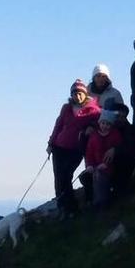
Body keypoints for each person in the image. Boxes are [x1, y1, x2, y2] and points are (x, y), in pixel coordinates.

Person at [48, 79, 101, 216]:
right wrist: (50, 143)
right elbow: (58, 125)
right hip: (59, 147)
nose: (77, 96)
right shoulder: (66, 108)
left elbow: (99, 122)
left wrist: (91, 126)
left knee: (66, 175)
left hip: (76, 148)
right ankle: (63, 207)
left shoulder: (93, 109)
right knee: (59, 178)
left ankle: (72, 207)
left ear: (85, 94)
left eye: (80, 93)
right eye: (75, 94)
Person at [81, 109, 123, 210]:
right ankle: (90, 201)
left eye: (108, 124)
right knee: (85, 177)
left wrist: (106, 164)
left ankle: (102, 202)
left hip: (109, 166)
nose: (105, 126)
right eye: (103, 123)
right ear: (99, 123)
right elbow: (89, 152)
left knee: (100, 177)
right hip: (95, 165)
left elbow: (119, 150)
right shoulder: (94, 135)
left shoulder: (115, 134)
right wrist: (89, 165)